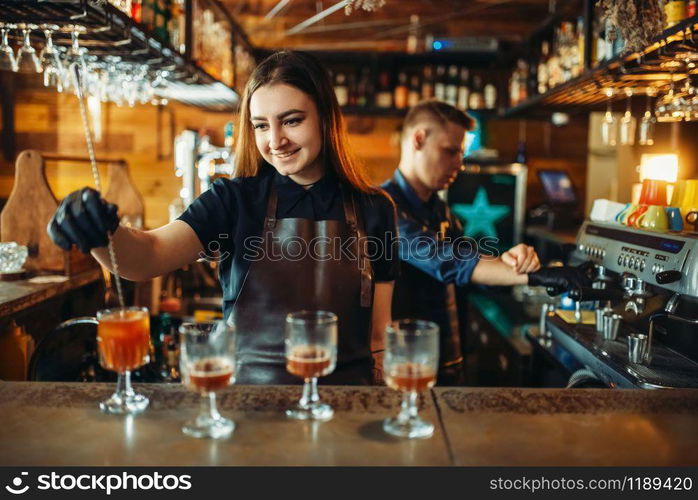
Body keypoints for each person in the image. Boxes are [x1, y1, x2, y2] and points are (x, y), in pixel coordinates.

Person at [47, 50, 398, 386]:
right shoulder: (233, 200)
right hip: (246, 404)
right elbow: (148, 255)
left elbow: (379, 333)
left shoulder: (375, 208)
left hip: (344, 406)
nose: (275, 140)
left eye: (291, 120)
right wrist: (103, 233)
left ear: (325, 117)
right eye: (261, 125)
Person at [381, 100, 591, 384]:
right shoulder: (383, 207)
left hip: (448, 359)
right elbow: (445, 260)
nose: (459, 163)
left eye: (461, 153)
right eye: (450, 151)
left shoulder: (439, 209)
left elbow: (470, 263)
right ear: (418, 139)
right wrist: (537, 276)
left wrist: (509, 260)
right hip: (406, 365)